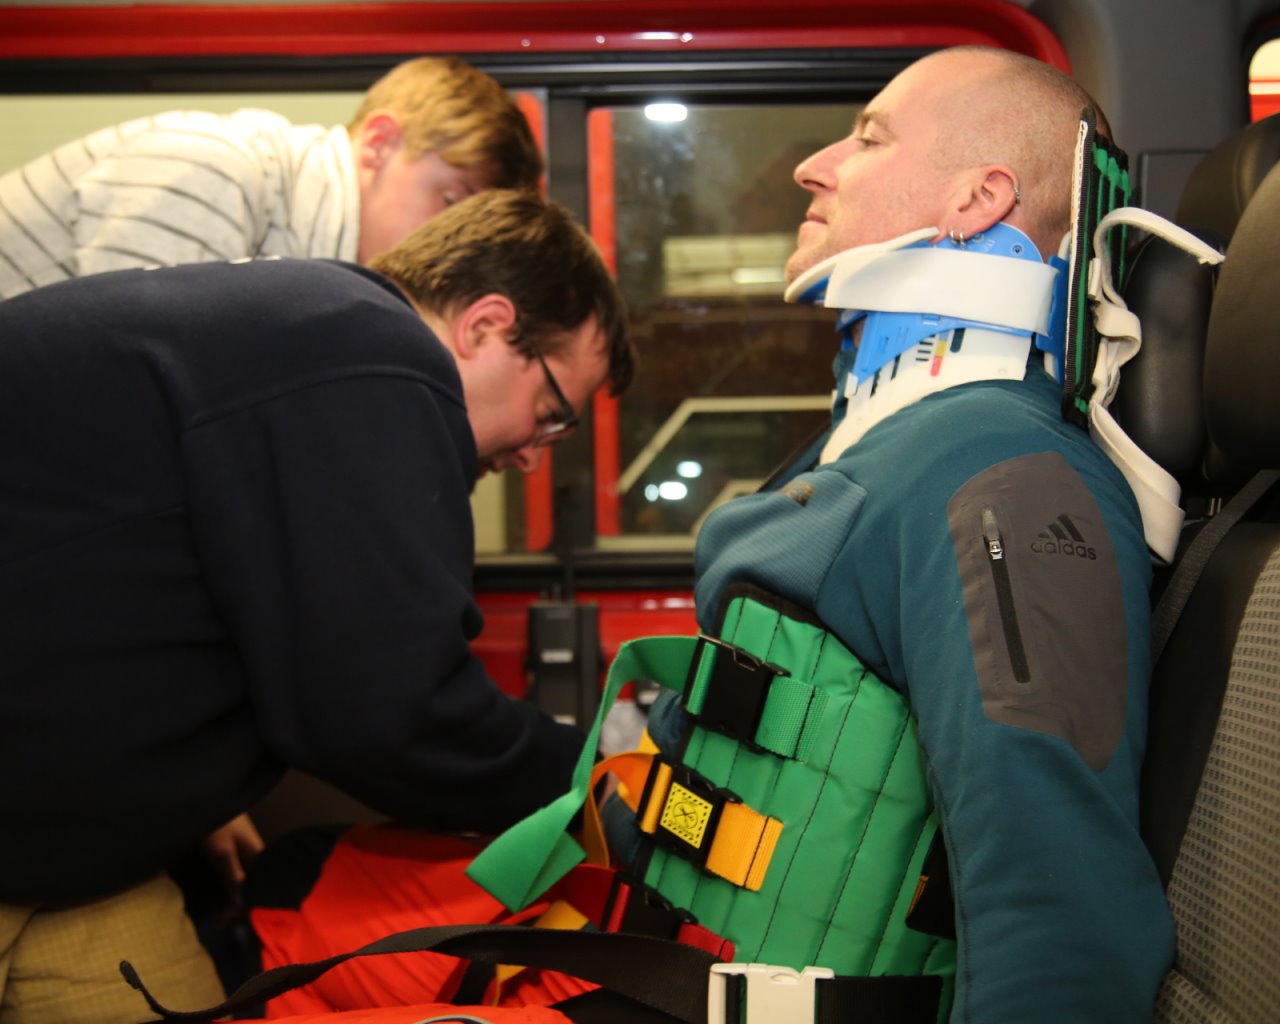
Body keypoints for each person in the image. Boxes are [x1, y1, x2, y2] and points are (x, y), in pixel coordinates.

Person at [232, 46, 1173, 1024]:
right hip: (652, 943)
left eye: (867, 138)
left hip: (723, 996)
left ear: (978, 200)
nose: (813, 166)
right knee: (291, 909)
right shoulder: (871, 449)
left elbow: (1060, 918)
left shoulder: (1002, 482)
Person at [0, 187, 632, 1024]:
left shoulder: (305, 339)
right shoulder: (371, 357)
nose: (532, 457)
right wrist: (599, 784)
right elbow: (387, 709)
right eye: (549, 414)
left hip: (72, 849)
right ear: (484, 326)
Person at [0, 56, 542, 300]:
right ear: (379, 143)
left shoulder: (304, 262)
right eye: (448, 202)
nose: (448, 247)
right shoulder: (219, 169)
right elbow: (131, 402)